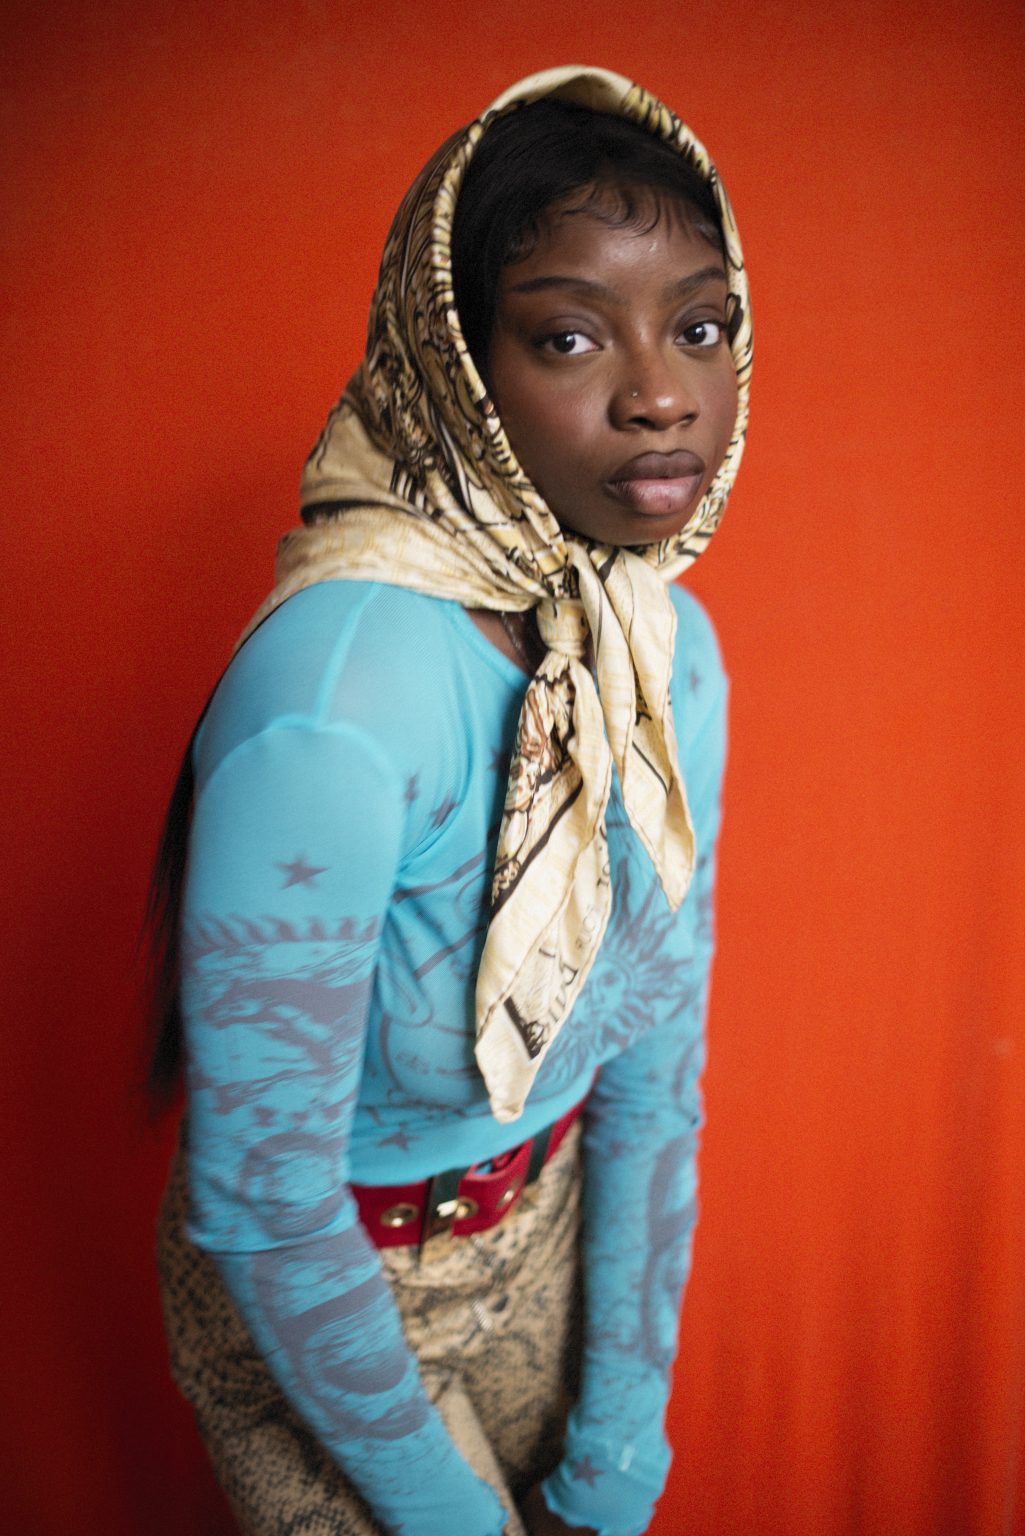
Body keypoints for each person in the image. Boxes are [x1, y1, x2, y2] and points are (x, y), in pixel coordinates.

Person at [148, 64, 752, 1536]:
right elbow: (265, 1199)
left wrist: (621, 1442)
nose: (662, 392)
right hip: (326, 1297)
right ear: (457, 367)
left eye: (699, 325)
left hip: (549, 1234)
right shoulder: (335, 703)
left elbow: (653, 1075)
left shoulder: (661, 649)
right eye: (569, 335)